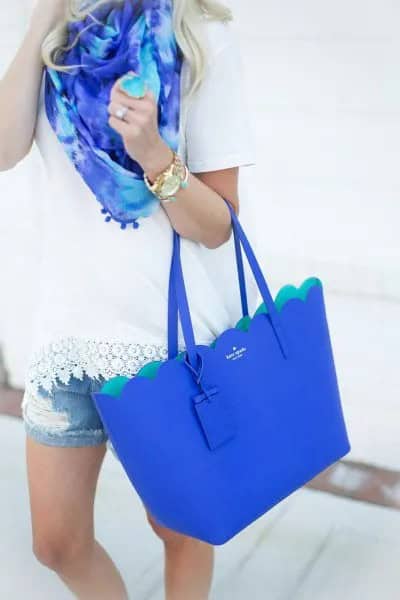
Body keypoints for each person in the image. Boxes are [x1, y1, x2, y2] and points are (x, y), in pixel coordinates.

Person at [0, 0, 259, 598]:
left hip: (162, 341)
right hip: (68, 332)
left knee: (179, 529)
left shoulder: (202, 35)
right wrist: (42, 23)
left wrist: (153, 155)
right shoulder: (56, 29)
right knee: (57, 543)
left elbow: (219, 226)